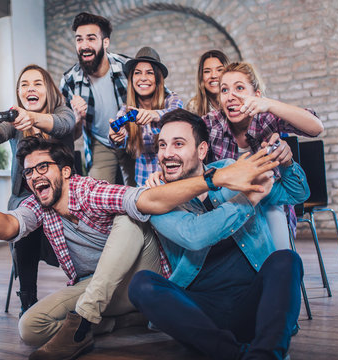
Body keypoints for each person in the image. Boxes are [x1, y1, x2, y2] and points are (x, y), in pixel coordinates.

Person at [0, 136, 278, 360]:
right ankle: (124, 321)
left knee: (129, 218)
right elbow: (10, 224)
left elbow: (146, 199)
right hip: (97, 287)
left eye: (43, 167)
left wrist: (214, 178)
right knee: (29, 328)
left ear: (66, 171)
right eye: (28, 172)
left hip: (142, 276)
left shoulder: (89, 190)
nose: (35, 176)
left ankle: (84, 322)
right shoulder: (37, 205)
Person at [129, 108, 310, 360]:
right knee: (141, 285)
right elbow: (194, 235)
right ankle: (235, 354)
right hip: (201, 312)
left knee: (287, 260)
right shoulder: (159, 197)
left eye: (178, 144)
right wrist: (248, 201)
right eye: (162, 145)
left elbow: (296, 194)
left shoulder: (232, 169)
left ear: (201, 150)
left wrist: (287, 162)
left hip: (255, 303)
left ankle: (263, 355)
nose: (167, 153)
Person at [0, 64, 75, 317]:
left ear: (49, 89)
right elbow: (0, 134)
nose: (30, 88)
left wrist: (33, 118)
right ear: (19, 93)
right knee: (23, 224)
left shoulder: (62, 111)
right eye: (24, 84)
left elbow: (64, 125)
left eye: (37, 83)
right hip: (25, 197)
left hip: (62, 198)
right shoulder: (14, 117)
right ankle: (28, 301)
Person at [204, 61, 323, 248]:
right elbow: (185, 134)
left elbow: (316, 127)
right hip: (231, 204)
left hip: (270, 200)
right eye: (224, 90)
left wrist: (268, 104)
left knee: (273, 211)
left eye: (240, 88)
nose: (231, 96)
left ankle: (279, 267)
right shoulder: (213, 122)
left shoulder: (266, 116)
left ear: (256, 96)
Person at [60, 12, 135, 186]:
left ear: (105, 42)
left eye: (91, 39)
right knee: (95, 195)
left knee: (139, 194)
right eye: (79, 40)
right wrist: (77, 119)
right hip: (100, 143)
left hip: (132, 138)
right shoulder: (69, 81)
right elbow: (73, 134)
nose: (84, 45)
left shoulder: (127, 67)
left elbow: (159, 98)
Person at [109, 46, 183, 186]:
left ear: (158, 78)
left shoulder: (171, 99)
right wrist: (116, 136)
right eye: (137, 73)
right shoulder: (127, 110)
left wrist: (153, 114)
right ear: (132, 78)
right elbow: (119, 139)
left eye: (149, 73)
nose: (143, 78)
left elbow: (178, 113)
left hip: (173, 182)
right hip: (143, 184)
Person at [187, 50, 230, 116]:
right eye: (207, 71)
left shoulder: (239, 100)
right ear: (201, 76)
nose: (213, 76)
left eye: (219, 70)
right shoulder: (193, 107)